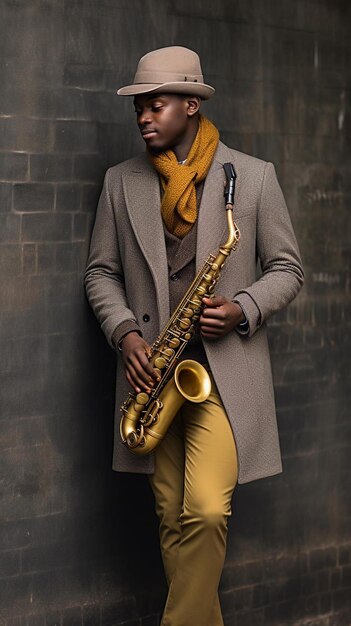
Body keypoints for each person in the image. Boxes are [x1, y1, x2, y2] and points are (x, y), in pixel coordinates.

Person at [84, 46, 304, 626]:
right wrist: (125, 332)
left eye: (155, 105)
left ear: (189, 104)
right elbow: (101, 272)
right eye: (139, 109)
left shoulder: (253, 178)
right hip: (156, 376)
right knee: (169, 519)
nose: (144, 117)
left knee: (204, 512)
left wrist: (243, 308)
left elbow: (288, 268)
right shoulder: (119, 183)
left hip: (223, 379)